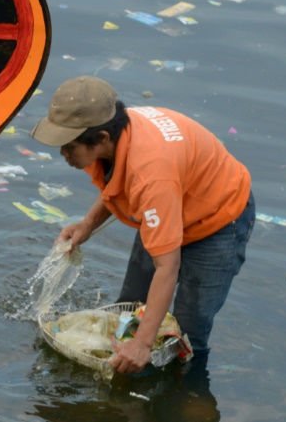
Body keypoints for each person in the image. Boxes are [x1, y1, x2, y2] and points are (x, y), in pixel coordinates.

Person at [30, 75, 254, 375]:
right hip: (168, 202)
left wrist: (144, 345)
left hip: (217, 220)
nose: (63, 154)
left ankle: (181, 398)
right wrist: (87, 224)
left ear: (101, 138)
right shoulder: (116, 130)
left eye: (69, 146)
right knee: (130, 310)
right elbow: (119, 184)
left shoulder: (151, 172)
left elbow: (167, 266)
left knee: (186, 339)